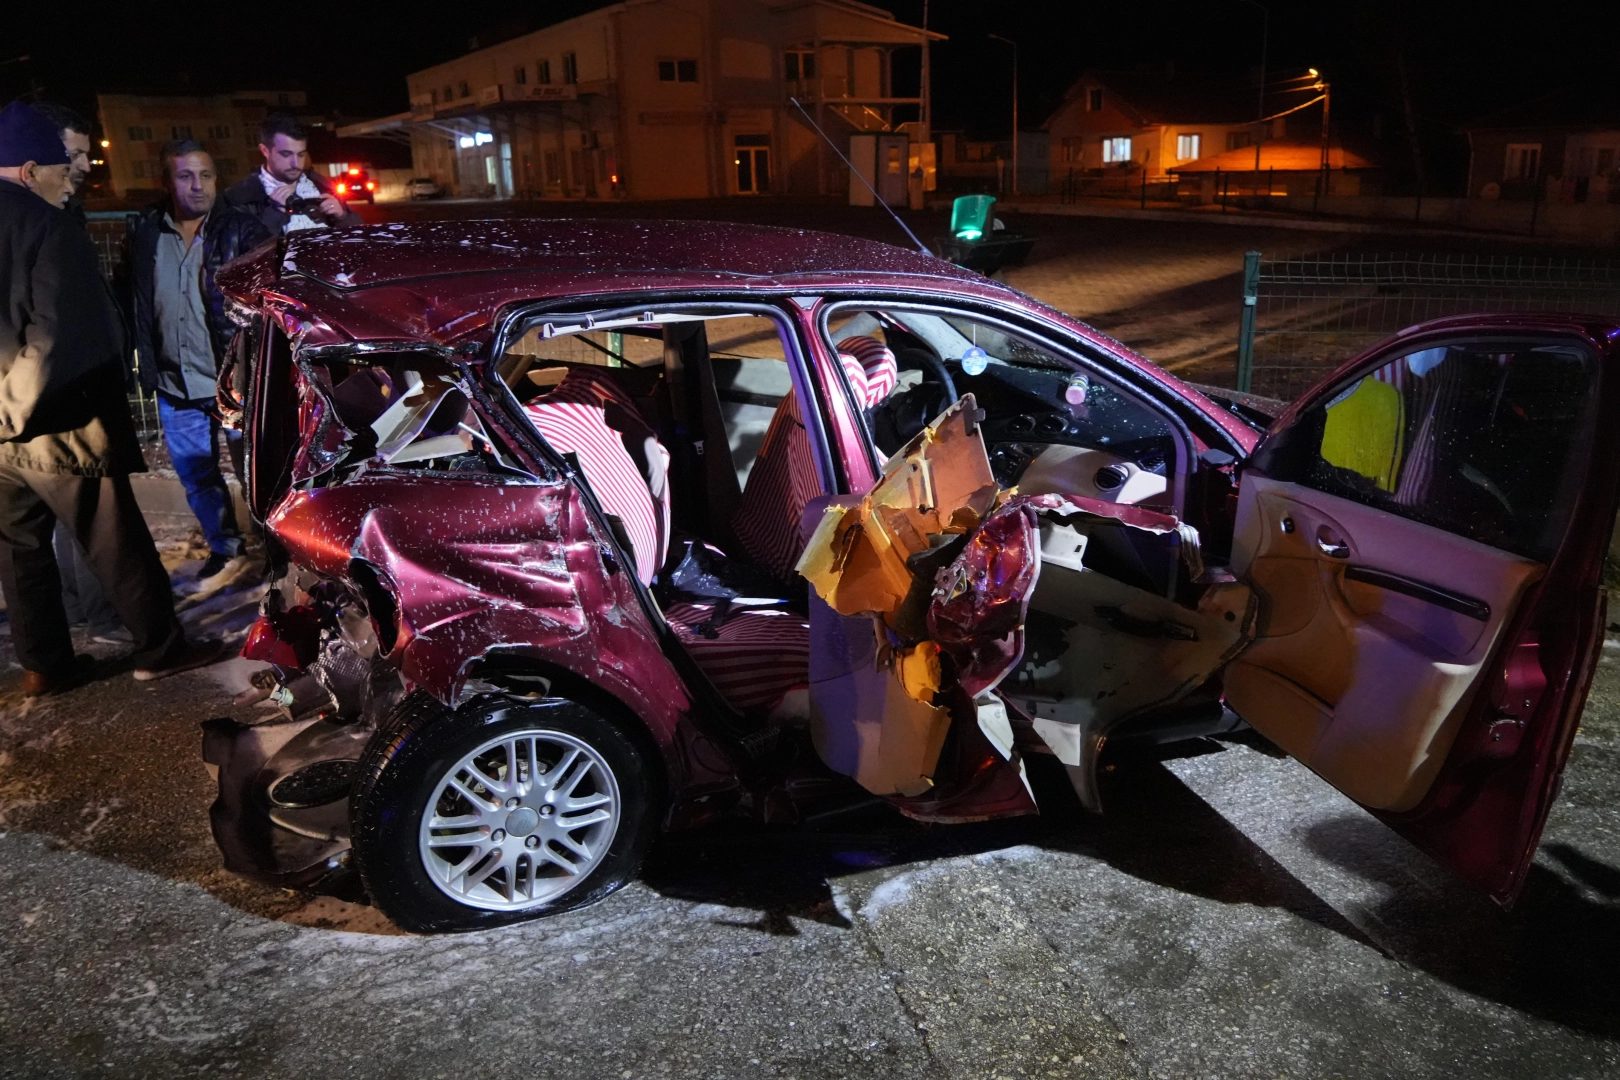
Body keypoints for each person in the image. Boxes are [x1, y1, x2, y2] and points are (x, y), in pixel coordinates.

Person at [0, 100, 222, 695]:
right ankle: (160, 648)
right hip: (58, 421)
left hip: (2, 429)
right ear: (29, 171)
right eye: (61, 170)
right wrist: (13, 413)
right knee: (114, 538)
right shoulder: (48, 226)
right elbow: (56, 338)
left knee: (19, 550)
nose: (70, 181)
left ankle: (45, 665)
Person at [131, 140, 270, 580]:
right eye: (185, 176)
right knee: (197, 477)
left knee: (256, 474)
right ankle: (225, 547)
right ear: (166, 182)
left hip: (236, 384)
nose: (198, 186)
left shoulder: (242, 231)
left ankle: (275, 552)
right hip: (176, 384)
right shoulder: (146, 232)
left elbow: (270, 304)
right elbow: (136, 302)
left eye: (206, 175)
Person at [30, 101, 126, 637]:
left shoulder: (62, 209)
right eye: (75, 154)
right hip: (60, 389)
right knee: (87, 512)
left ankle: (77, 612)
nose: (86, 165)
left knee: (62, 517)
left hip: (53, 386)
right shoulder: (41, 219)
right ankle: (101, 613)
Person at [223, 113, 360, 234]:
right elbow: (241, 249)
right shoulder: (241, 198)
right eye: (286, 154)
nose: (295, 164)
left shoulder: (322, 185)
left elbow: (359, 237)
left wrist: (343, 217)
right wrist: (274, 216)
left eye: (301, 154)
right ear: (265, 150)